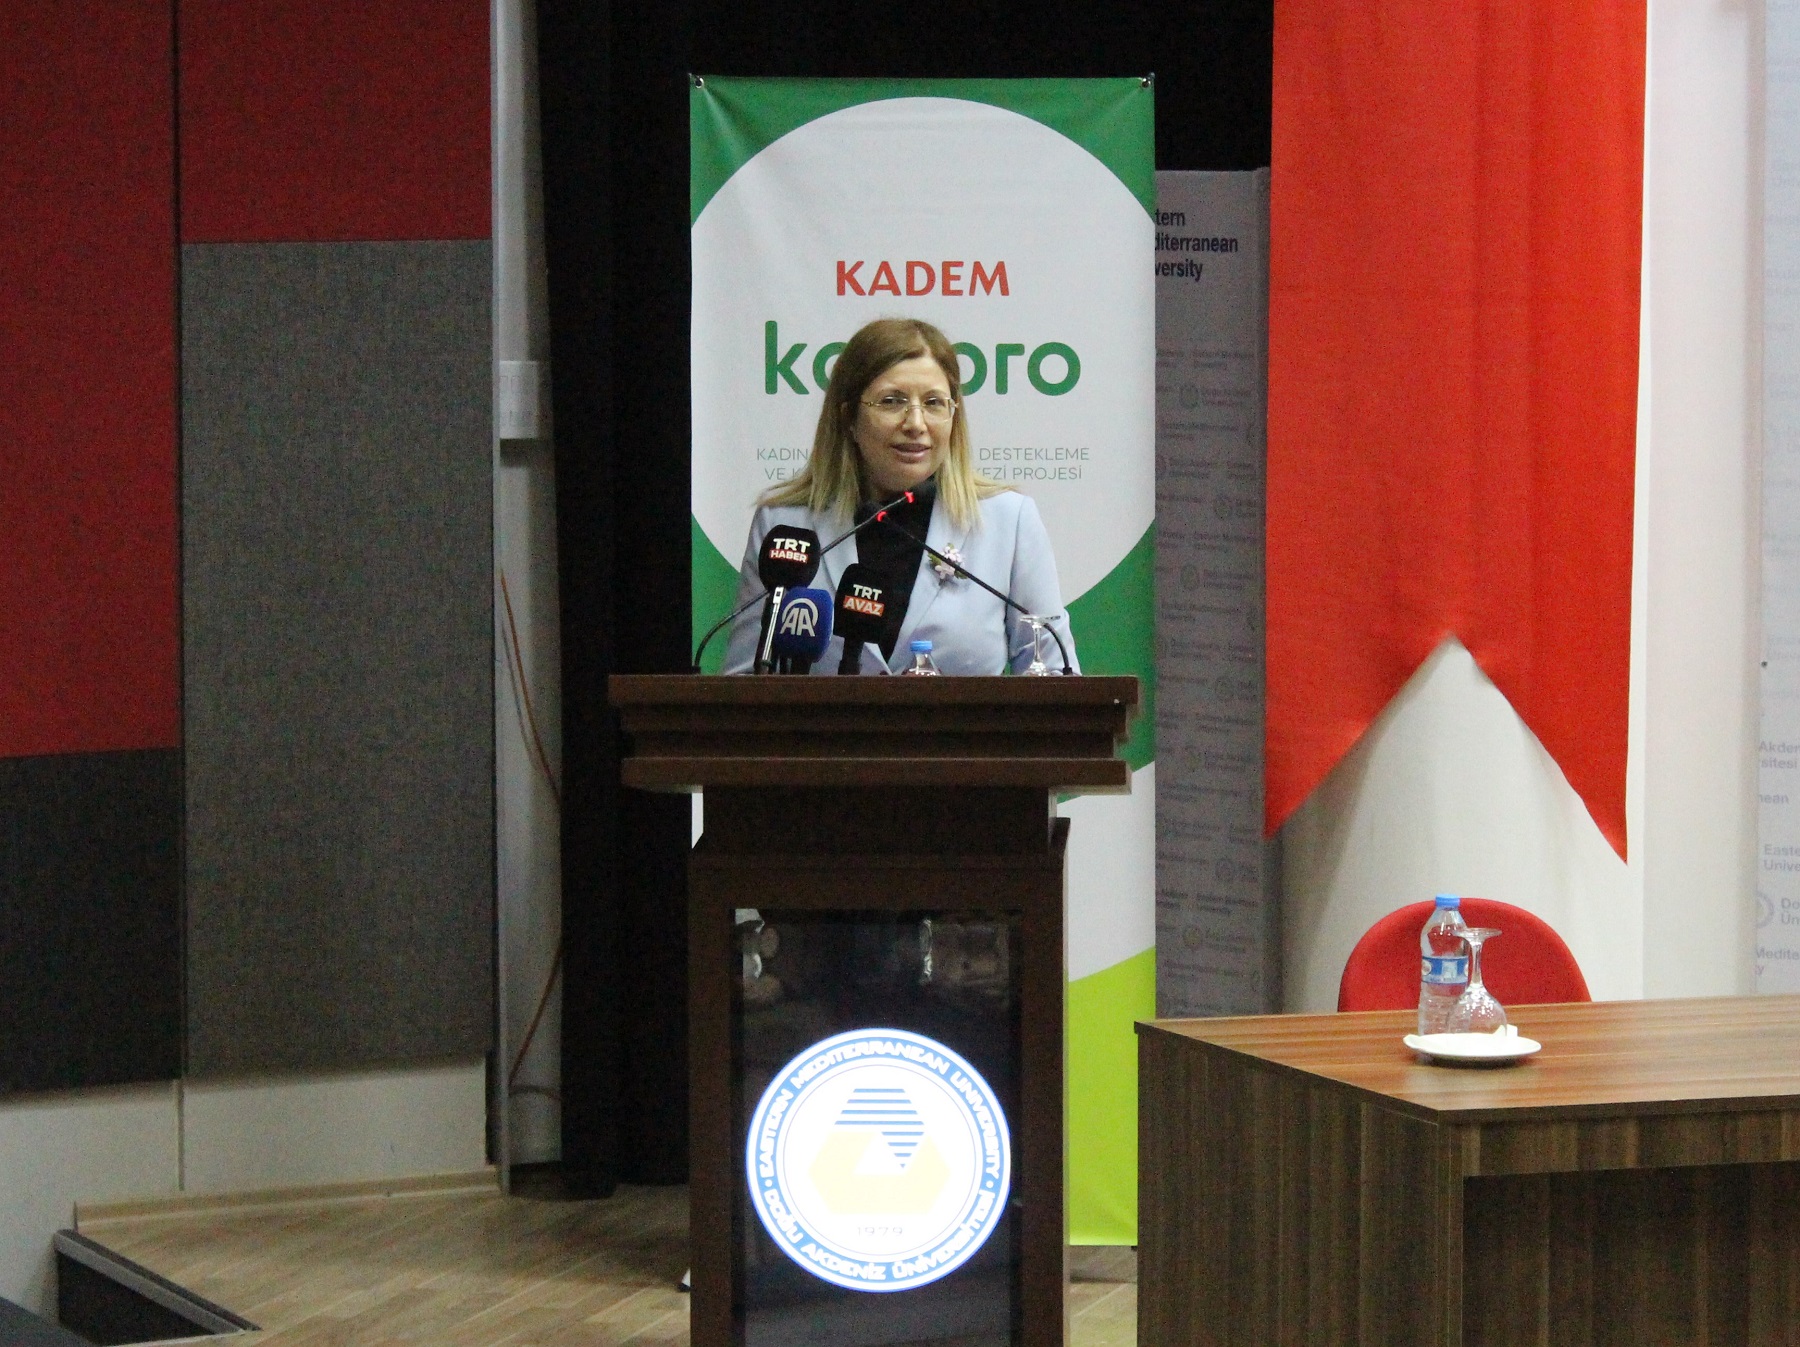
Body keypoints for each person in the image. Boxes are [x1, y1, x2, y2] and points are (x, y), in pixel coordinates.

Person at [721, 317, 1078, 675]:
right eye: (892, 401)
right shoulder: (785, 524)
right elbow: (745, 679)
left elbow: (1054, 674)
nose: (916, 424)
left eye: (934, 403)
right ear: (848, 418)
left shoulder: (1008, 521)